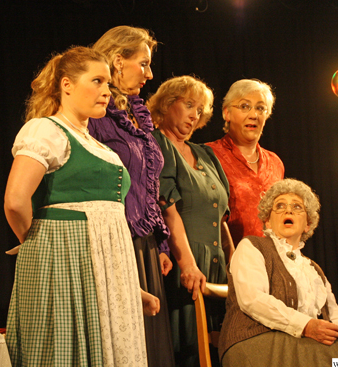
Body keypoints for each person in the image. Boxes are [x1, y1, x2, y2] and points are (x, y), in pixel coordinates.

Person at [4, 46, 159, 366]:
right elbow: (16, 201)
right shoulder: (46, 130)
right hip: (65, 261)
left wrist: (127, 286)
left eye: (107, 83)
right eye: (97, 81)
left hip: (104, 271)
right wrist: (38, 245)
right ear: (67, 85)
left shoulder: (96, 145)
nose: (106, 91)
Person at [219, 178, 338, 366]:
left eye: (297, 207)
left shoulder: (314, 270)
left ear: (307, 225)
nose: (288, 210)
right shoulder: (252, 246)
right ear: (267, 222)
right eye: (279, 206)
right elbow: (253, 300)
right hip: (253, 344)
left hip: (300, 345)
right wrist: (306, 326)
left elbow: (335, 319)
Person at [87, 25, 176, 367]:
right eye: (144, 63)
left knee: (150, 343)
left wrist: (161, 242)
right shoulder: (96, 115)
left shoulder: (136, 116)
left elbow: (147, 184)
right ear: (117, 61)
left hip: (144, 244)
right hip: (114, 239)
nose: (149, 74)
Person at [147, 75, 231, 367]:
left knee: (219, 349)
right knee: (186, 350)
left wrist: (235, 263)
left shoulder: (206, 153)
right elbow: (168, 210)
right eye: (189, 105)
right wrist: (188, 264)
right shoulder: (157, 144)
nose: (195, 114)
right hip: (184, 265)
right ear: (168, 105)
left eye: (201, 109)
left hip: (217, 268)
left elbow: (222, 219)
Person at [206, 79, 284, 246]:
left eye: (260, 108)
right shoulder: (209, 155)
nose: (253, 115)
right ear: (226, 113)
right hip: (228, 261)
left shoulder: (275, 163)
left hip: (272, 261)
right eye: (244, 106)